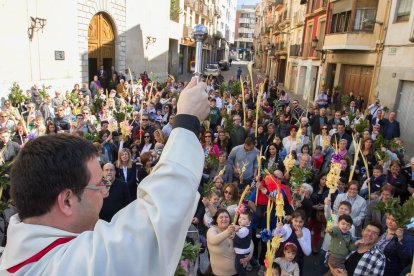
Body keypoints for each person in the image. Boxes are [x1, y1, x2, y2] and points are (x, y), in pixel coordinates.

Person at [0, 76, 210, 275]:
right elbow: (155, 222)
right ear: (67, 201)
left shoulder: (16, 253)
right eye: (98, 184)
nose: (105, 191)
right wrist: (187, 122)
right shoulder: (71, 267)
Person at [207, 209, 253, 276]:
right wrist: (228, 232)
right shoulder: (212, 230)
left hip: (238, 272)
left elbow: (250, 241)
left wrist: (250, 255)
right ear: (216, 220)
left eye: (226, 217)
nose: (224, 219)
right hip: (219, 274)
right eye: (221, 217)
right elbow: (213, 240)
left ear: (230, 219)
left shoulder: (236, 228)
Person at [234, 211, 253, 276]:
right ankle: (254, 263)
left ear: (249, 222)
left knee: (238, 266)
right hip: (244, 249)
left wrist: (236, 230)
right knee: (244, 263)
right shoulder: (242, 227)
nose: (240, 220)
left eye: (244, 219)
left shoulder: (246, 229)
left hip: (241, 251)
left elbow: (241, 234)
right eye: (240, 217)